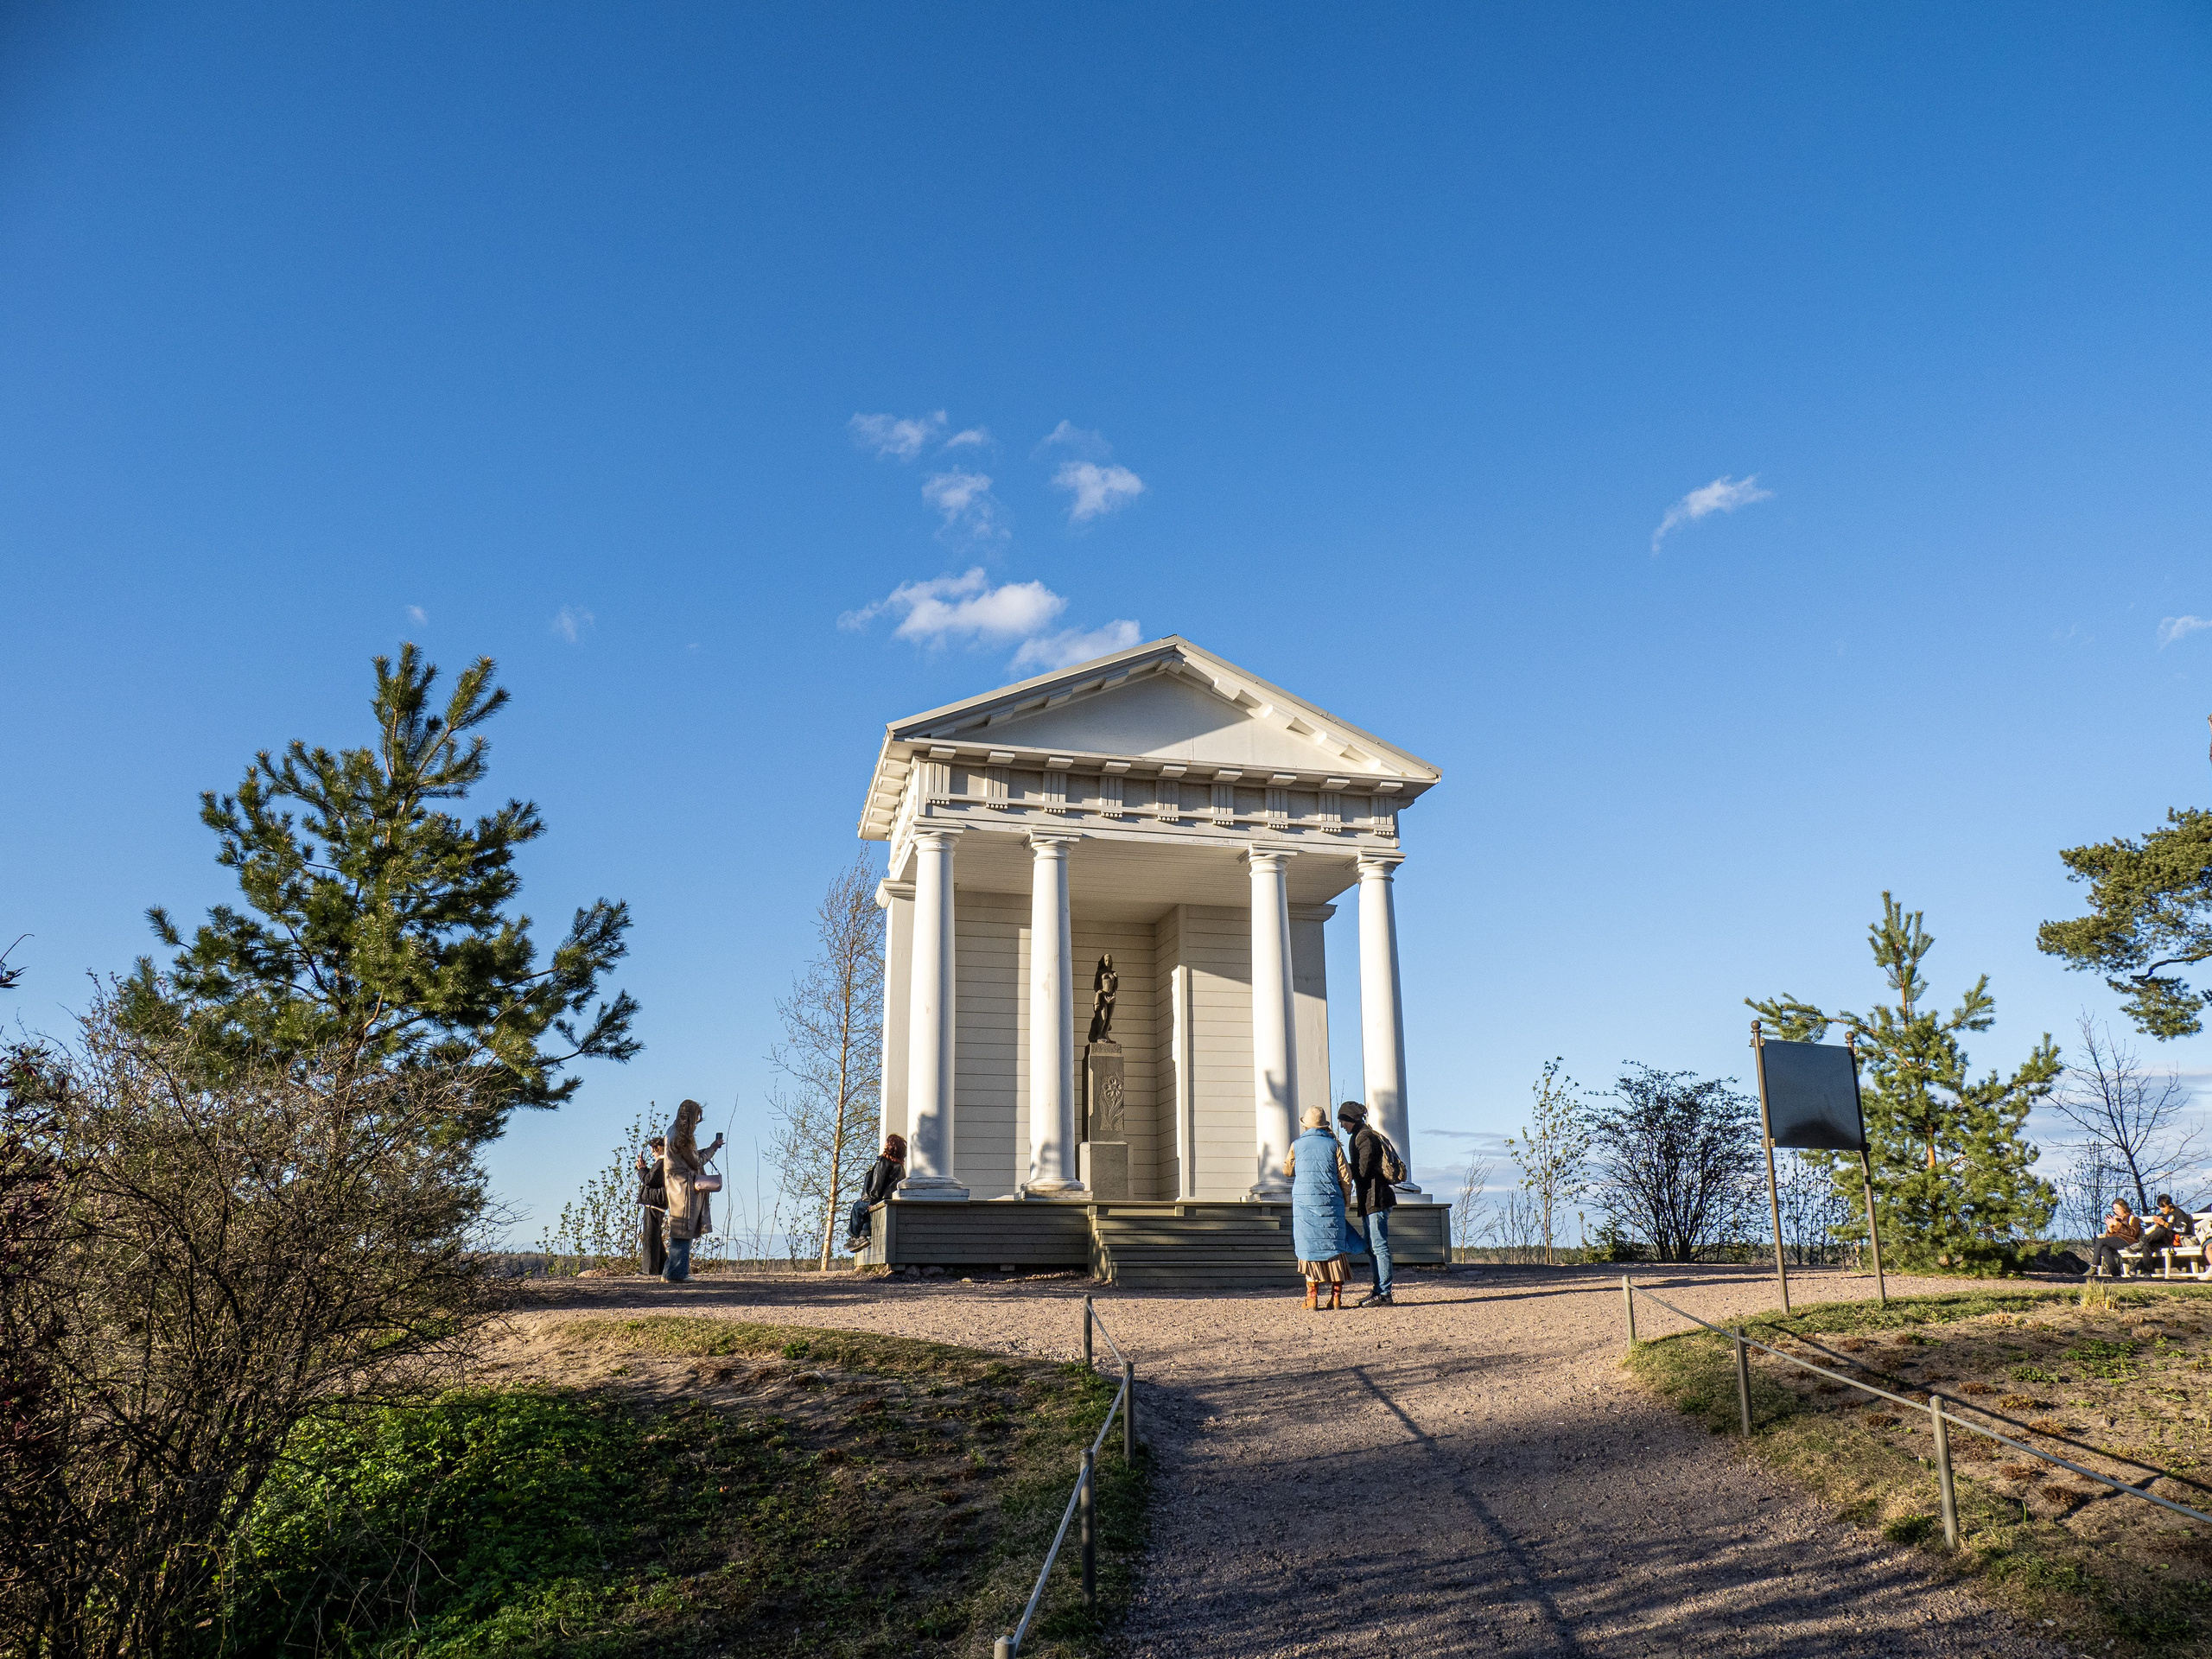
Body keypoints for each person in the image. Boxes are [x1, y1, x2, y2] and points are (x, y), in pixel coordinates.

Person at [1285, 1104, 1363, 1312]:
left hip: (1304, 1204)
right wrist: (1346, 1199)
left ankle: (1312, 1299)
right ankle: (1336, 1298)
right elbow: (1346, 1176)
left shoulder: (1297, 1145)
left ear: (1307, 1126)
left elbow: (1287, 1170)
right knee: (1335, 1247)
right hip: (1330, 1201)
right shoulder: (1333, 1145)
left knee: (1309, 1248)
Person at [1338, 1100, 1400, 1308]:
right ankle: (1379, 1290)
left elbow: (1363, 1171)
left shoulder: (1363, 1137)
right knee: (1373, 1247)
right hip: (1371, 1199)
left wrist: (1343, 1170)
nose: (1342, 1126)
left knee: (1378, 1247)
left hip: (1376, 1199)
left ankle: (1384, 1294)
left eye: (1343, 1121)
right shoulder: (1362, 1135)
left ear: (1351, 1119)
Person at [662, 1099, 726, 1285]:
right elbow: (696, 1162)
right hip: (685, 1186)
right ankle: (677, 1273)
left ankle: (669, 1271)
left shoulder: (671, 1132)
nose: (697, 1123)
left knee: (678, 1226)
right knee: (685, 1229)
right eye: (696, 1119)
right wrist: (712, 1149)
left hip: (674, 1184)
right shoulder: (684, 1138)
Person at [844, 1134, 907, 1254]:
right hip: (887, 1198)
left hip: (876, 1197)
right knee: (867, 1214)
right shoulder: (899, 1166)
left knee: (857, 1207)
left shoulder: (883, 1161)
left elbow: (877, 1182)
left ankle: (855, 1236)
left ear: (890, 1146)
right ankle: (862, 1237)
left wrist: (873, 1200)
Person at [634, 1135, 668, 1278]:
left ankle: (649, 1270)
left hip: (654, 1202)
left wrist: (642, 1169)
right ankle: (663, 1268)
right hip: (658, 1203)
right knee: (656, 1237)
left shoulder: (662, 1162)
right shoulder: (666, 1162)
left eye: (653, 1151)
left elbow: (650, 1180)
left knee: (650, 1237)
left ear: (657, 1149)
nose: (652, 1154)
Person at [2087, 1198, 2143, 1278]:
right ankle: (2115, 1273)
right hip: (2117, 1241)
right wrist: (2109, 1228)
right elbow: (2109, 1237)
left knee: (2100, 1241)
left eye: (2118, 1208)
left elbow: (2133, 1233)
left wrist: (2117, 1224)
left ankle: (2094, 1266)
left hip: (2128, 1241)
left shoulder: (2133, 1219)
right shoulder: (2116, 1219)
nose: (2116, 1211)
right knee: (2104, 1249)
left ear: (2124, 1208)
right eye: (2114, 1209)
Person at [2138, 1193, 2196, 1270]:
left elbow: (2182, 1230)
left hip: (2176, 1240)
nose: (2162, 1209)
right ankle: (2148, 1272)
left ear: (2170, 1205)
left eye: (2164, 1207)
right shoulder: (2161, 1215)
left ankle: (2142, 1242)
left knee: (2162, 1230)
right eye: (2160, 1207)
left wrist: (2164, 1224)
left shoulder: (2179, 1214)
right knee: (2146, 1246)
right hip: (2163, 1241)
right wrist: (2157, 1224)